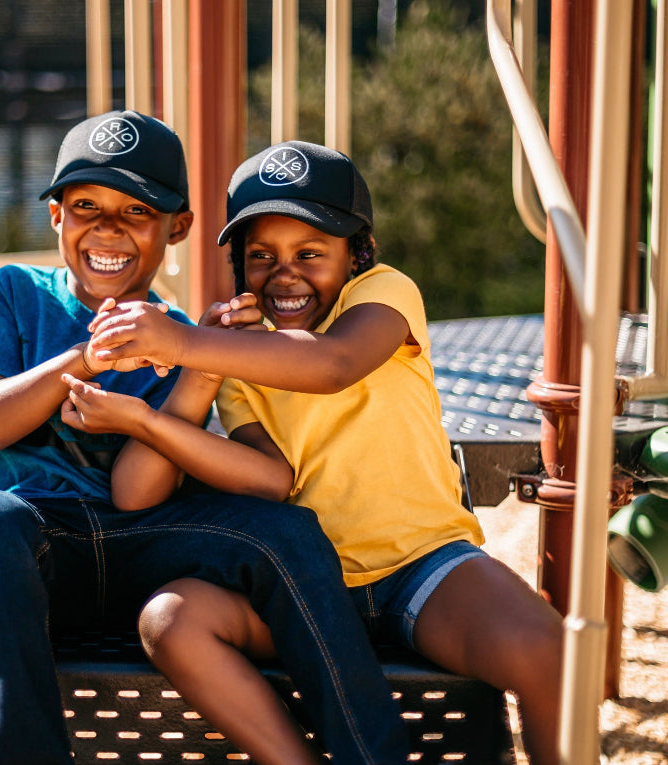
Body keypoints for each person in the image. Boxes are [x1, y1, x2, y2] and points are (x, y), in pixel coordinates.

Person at [62, 140, 564, 765]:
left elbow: (333, 365)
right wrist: (147, 417)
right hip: (307, 592)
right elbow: (268, 480)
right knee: (170, 620)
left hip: (419, 566)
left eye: (310, 254)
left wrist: (182, 341)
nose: (285, 273)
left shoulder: (383, 296)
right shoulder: (237, 359)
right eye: (260, 258)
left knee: (547, 652)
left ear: (358, 255)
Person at [0, 117, 410, 765]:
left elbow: (139, 497)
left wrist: (194, 367)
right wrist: (89, 356)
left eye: (136, 211)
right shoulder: (15, 292)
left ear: (177, 228)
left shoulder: (178, 332)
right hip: (37, 551)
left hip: (139, 547)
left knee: (285, 529)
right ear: (55, 217)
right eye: (85, 208)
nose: (107, 229)